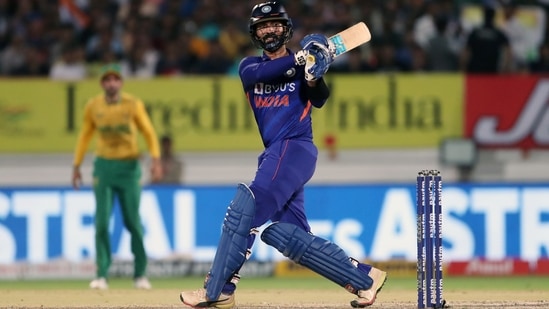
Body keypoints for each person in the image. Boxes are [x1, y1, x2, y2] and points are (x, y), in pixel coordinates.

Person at [179, 2, 387, 308]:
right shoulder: (249, 67)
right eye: (263, 26)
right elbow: (274, 71)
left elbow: (320, 98)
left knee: (244, 211)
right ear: (255, 33)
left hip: (295, 147)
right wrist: (304, 59)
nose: (269, 30)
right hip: (276, 154)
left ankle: (219, 289)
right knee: (289, 235)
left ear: (286, 29)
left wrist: (314, 75)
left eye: (275, 24)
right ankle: (364, 279)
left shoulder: (305, 68)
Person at [71, 63, 163, 290]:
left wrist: (156, 160)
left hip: (129, 168)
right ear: (102, 83)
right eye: (107, 80)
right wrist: (76, 165)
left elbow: (148, 131)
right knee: (101, 223)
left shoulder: (133, 104)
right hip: (104, 167)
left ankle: (140, 274)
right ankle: (101, 274)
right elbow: (84, 135)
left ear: (120, 83)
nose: (111, 83)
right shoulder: (93, 106)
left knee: (132, 222)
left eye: (115, 79)